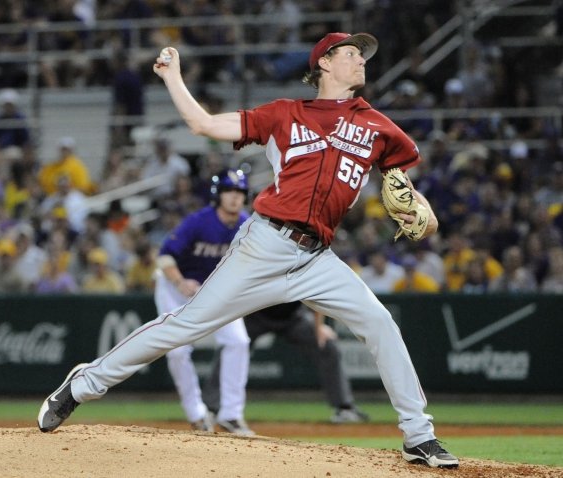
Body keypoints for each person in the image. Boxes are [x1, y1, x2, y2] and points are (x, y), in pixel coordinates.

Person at [38, 32, 458, 469]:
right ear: (325, 64)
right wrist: (173, 78)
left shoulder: (377, 125)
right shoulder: (285, 114)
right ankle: (83, 384)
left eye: (362, 55)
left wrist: (423, 214)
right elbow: (204, 125)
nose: (361, 61)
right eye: (351, 53)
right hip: (266, 244)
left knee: (380, 322)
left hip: (317, 257)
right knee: (185, 326)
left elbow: (403, 187)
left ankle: (418, 435)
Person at [154, 169, 253, 435]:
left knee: (238, 342)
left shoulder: (246, 225)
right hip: (177, 288)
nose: (235, 197)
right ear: (218, 195)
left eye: (240, 192)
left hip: (214, 291)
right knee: (177, 351)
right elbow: (164, 257)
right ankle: (197, 414)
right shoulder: (199, 222)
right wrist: (179, 282)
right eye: (230, 191)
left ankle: (231, 414)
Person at [202, 302, 370, 424]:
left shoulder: (302, 261)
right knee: (233, 346)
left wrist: (319, 328)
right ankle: (211, 408)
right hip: (256, 314)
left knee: (327, 346)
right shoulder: (265, 260)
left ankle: (344, 408)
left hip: (293, 318)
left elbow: (316, 297)